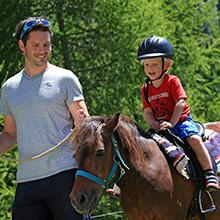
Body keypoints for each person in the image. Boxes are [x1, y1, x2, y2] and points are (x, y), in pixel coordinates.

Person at [0, 17, 90, 220]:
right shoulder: (9, 88)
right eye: (36, 45)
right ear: (21, 46)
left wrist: (83, 122)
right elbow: (9, 133)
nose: (42, 50)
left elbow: (84, 125)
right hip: (27, 181)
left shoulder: (65, 78)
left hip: (65, 175)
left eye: (46, 44)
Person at [137, 35, 220, 192]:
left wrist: (172, 123)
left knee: (194, 139)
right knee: (141, 147)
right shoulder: (146, 88)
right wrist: (153, 124)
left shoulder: (172, 81)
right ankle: (123, 185)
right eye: (147, 64)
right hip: (160, 125)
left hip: (180, 122)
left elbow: (180, 103)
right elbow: (147, 111)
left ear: (166, 64)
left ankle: (209, 173)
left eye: (154, 64)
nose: (150, 68)